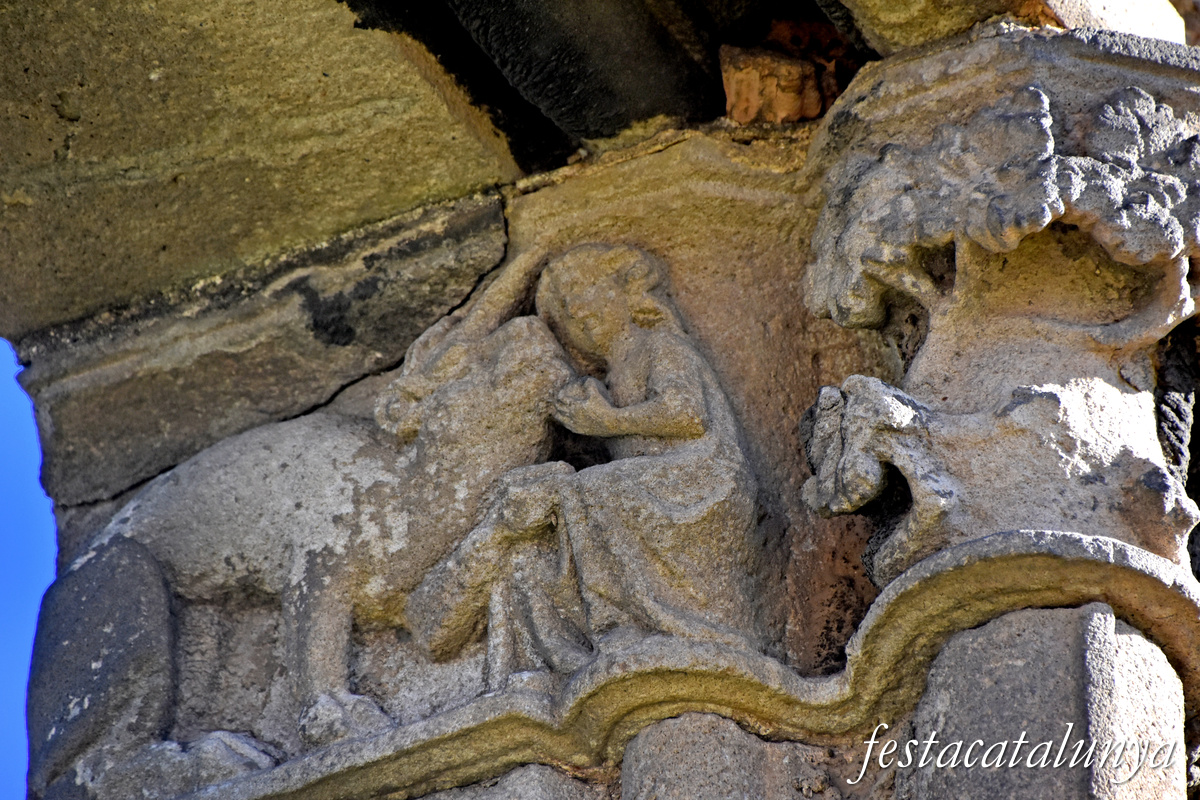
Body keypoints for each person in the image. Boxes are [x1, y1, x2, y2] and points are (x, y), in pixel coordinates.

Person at [408, 244, 766, 688]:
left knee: (592, 490)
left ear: (625, 290)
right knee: (551, 526)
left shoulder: (660, 345)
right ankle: (568, 649)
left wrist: (607, 421)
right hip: (649, 487)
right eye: (566, 307)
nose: (577, 309)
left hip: (699, 476)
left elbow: (688, 414)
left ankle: (618, 624)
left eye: (585, 290)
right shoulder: (609, 378)